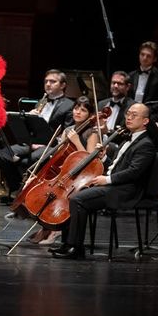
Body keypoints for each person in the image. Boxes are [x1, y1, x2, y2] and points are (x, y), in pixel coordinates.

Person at [50, 103, 158, 259]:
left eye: (134, 115)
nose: (128, 117)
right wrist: (104, 158)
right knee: (70, 195)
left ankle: (75, 248)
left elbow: (134, 172)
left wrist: (107, 180)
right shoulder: (128, 139)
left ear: (145, 121)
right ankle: (67, 244)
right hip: (116, 186)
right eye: (128, 113)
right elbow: (116, 167)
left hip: (127, 191)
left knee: (77, 199)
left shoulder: (146, 144)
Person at [27, 97, 102, 245]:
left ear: (90, 114)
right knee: (35, 186)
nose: (78, 112)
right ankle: (47, 226)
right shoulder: (68, 130)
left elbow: (90, 162)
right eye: (76, 108)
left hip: (82, 177)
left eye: (83, 110)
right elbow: (60, 156)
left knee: (60, 197)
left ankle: (55, 230)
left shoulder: (92, 133)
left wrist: (76, 141)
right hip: (65, 173)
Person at [129, 41, 158, 122]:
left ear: (155, 59)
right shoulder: (131, 75)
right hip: (131, 114)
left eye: (148, 56)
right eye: (142, 54)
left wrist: (143, 111)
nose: (144, 58)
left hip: (150, 116)